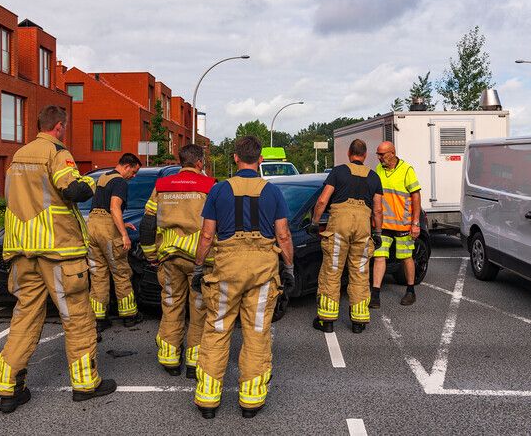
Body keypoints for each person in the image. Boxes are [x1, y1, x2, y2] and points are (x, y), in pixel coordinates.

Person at [0, 106, 116, 414]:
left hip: (22, 250)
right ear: (59, 127)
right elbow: (72, 189)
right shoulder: (57, 152)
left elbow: (13, 198)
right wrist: (92, 182)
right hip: (59, 252)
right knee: (76, 316)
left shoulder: (18, 156)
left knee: (24, 317)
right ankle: (86, 384)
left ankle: (9, 387)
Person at [191, 136, 295, 419]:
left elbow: (207, 235)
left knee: (217, 330)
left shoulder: (218, 190)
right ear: (260, 160)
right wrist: (289, 268)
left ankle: (208, 399)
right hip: (262, 271)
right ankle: (250, 400)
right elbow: (283, 235)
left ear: (235, 158)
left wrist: (199, 267)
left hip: (226, 270)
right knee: (257, 332)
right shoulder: (272, 192)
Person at [139, 144, 216, 378]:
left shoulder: (162, 186)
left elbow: (148, 224)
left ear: (181, 161)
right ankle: (194, 362)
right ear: (200, 163)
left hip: (169, 258)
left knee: (171, 304)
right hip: (199, 260)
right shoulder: (209, 186)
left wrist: (151, 255)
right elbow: (215, 226)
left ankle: (169, 359)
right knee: (199, 308)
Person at [310, 139, 383, 334]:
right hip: (363, 228)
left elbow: (323, 200)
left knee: (332, 271)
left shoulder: (338, 172)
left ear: (349, 153)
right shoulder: (374, 177)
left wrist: (315, 222)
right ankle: (359, 321)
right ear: (365, 155)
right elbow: (378, 210)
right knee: (360, 273)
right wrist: (377, 233)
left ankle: (327, 320)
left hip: (339, 227)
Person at [87, 153, 143, 339]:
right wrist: (124, 234)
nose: (133, 176)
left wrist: (121, 224)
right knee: (120, 271)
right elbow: (114, 207)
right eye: (133, 172)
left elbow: (102, 206)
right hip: (107, 231)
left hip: (93, 226)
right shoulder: (120, 182)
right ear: (127, 166)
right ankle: (129, 315)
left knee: (98, 274)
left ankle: (98, 319)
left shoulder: (104, 176)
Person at [370, 141, 422, 308]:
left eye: (382, 154)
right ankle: (375, 294)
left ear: (392, 153)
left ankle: (410, 291)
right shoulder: (378, 170)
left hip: (402, 224)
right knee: (379, 257)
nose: (379, 158)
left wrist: (415, 223)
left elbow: (416, 197)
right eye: (378, 154)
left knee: (406, 257)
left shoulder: (407, 170)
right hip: (383, 225)